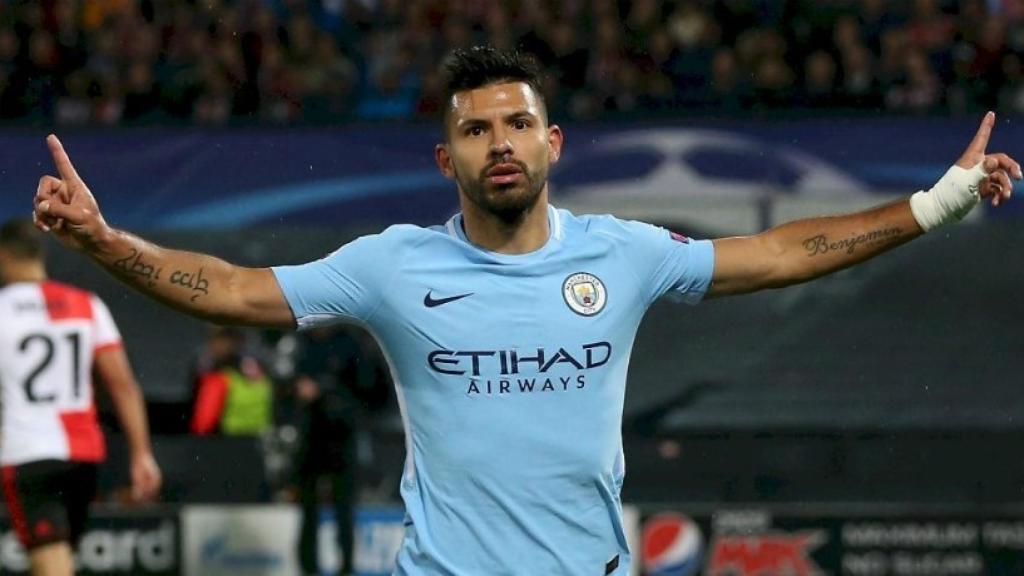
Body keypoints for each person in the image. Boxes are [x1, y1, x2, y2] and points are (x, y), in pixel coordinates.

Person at [30, 47, 1019, 575]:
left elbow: (779, 251)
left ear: (554, 142)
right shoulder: (392, 265)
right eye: (475, 130)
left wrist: (934, 205)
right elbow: (236, 290)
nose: (498, 143)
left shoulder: (623, 253)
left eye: (516, 123)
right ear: (444, 158)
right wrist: (107, 244)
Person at [0, 218, 162, 576]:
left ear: (4, 256)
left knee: (49, 561)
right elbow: (122, 385)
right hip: (83, 455)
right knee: (60, 557)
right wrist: (142, 454)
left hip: (28, 453)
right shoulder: (86, 305)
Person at [292, 325, 384, 576]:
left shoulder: (350, 345)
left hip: (342, 434)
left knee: (344, 507)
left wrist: (326, 390)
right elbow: (287, 382)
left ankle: (346, 568)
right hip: (310, 434)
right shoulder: (301, 344)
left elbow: (368, 386)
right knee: (308, 508)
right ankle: (309, 568)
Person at [189, 325, 274, 436]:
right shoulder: (210, 370)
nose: (224, 346)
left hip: (244, 435)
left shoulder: (224, 377)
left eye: (227, 340)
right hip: (236, 434)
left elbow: (204, 423)